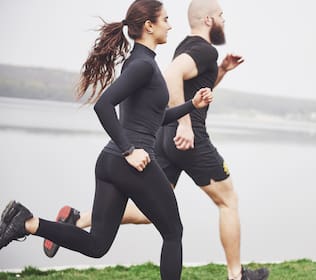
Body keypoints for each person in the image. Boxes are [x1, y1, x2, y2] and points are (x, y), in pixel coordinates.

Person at [42, 0, 269, 279]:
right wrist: (182, 126)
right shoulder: (200, 50)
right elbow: (167, 78)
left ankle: (77, 220)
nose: (170, 25)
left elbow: (159, 103)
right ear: (208, 20)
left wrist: (216, 76)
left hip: (157, 140)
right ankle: (236, 275)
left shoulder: (181, 48)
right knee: (225, 202)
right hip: (185, 139)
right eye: (221, 15)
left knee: (148, 214)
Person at [0, 1, 214, 279]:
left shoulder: (141, 63)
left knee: (97, 245)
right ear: (149, 26)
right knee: (174, 233)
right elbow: (104, 105)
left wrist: (191, 105)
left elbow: (155, 117)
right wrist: (130, 151)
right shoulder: (143, 66)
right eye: (166, 19)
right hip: (131, 163)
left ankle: (26, 222)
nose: (170, 25)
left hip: (111, 164)